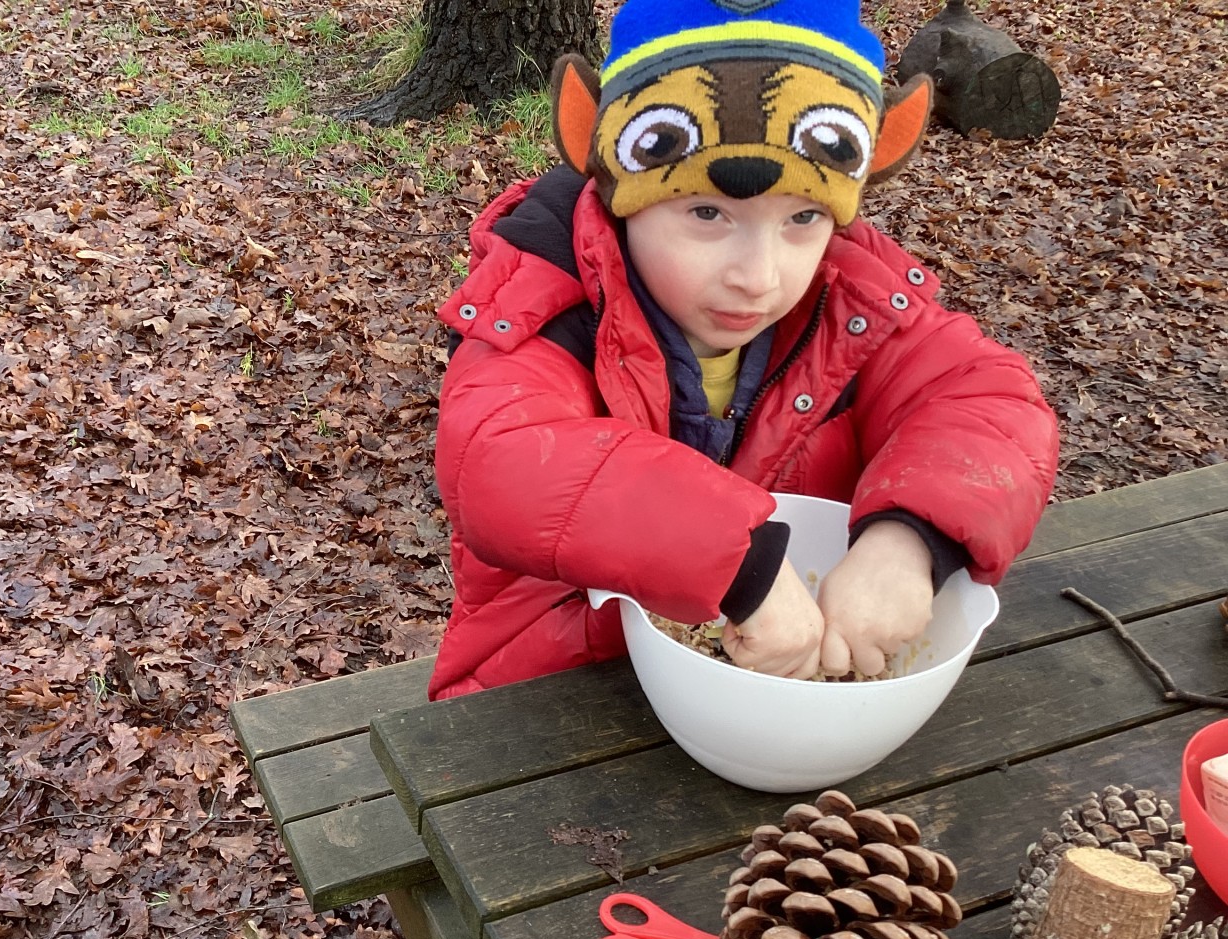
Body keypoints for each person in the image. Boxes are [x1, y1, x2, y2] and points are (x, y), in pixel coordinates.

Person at [427, 0, 1059, 700]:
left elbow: (988, 401)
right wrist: (742, 564)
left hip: (786, 705)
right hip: (548, 694)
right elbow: (498, 459)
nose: (759, 277)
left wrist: (910, 540)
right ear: (620, 191)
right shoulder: (543, 305)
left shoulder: (857, 305)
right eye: (708, 213)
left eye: (803, 217)